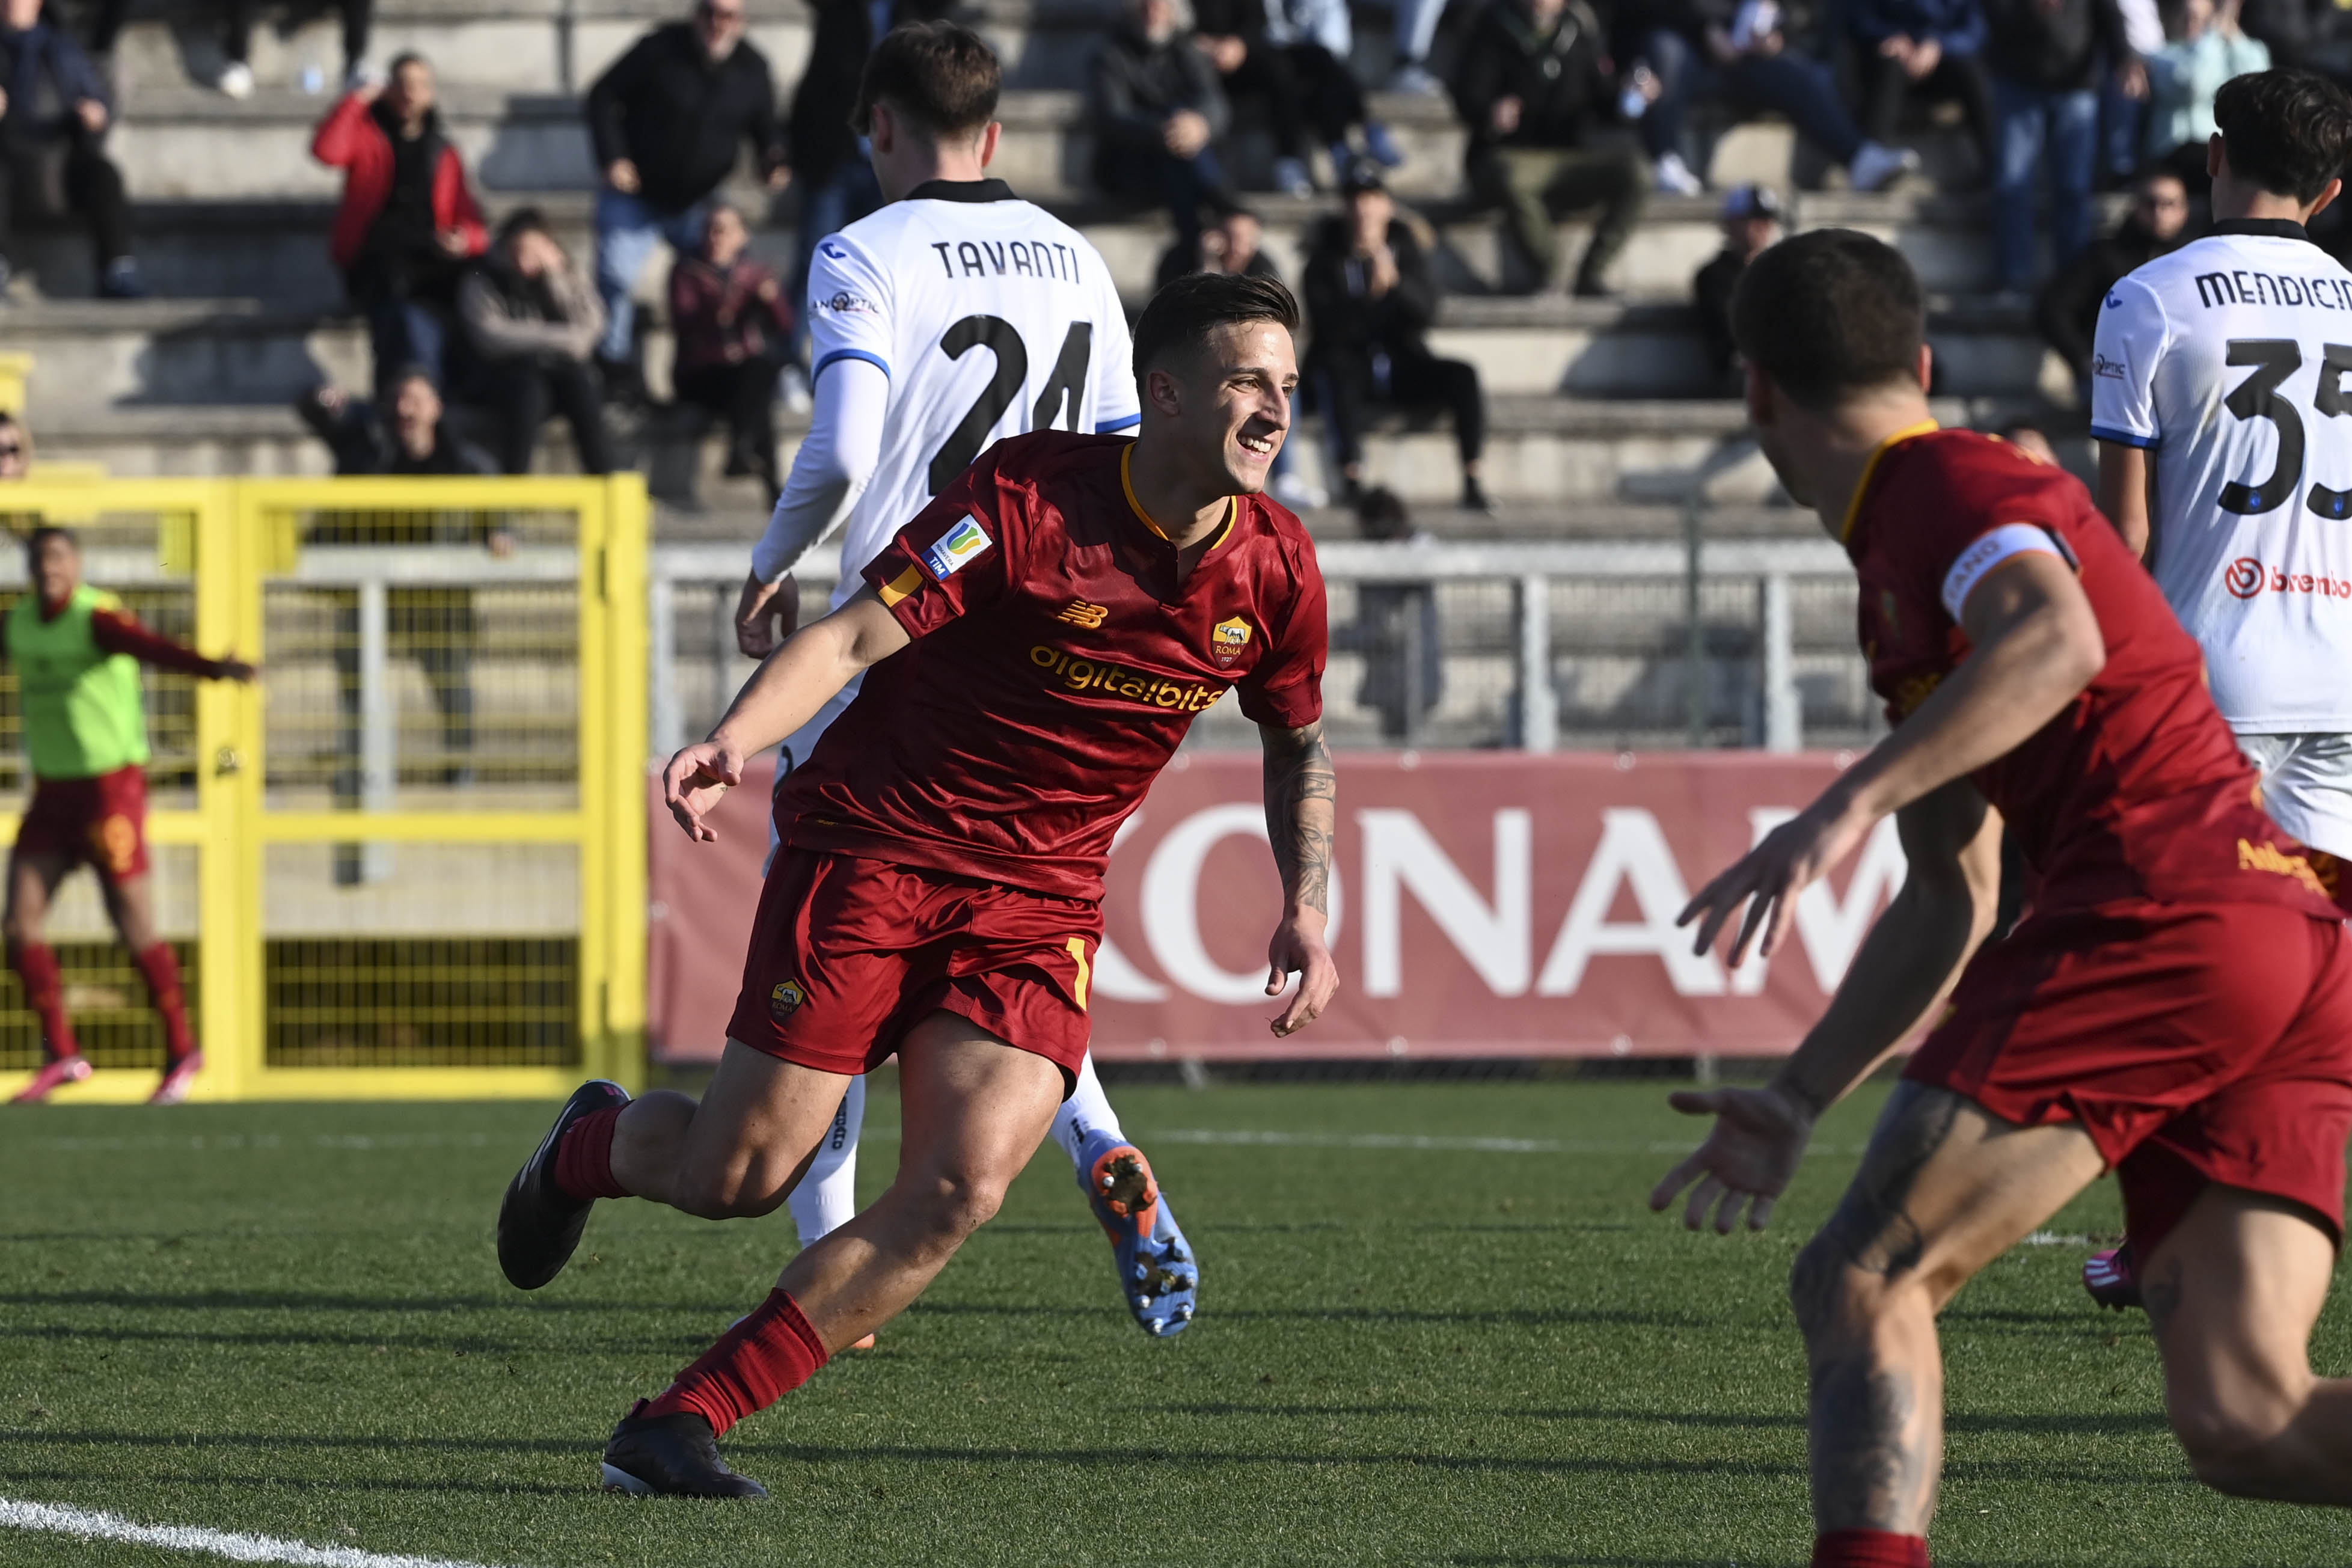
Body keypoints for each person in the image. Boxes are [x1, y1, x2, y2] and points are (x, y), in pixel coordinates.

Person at [495, 271, 1337, 1498]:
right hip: (877, 847)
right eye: (1248, 382)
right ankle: (588, 1144)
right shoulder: (1028, 498)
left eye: (1290, 388)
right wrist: (735, 741)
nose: (1274, 411)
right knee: (742, 1175)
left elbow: (1297, 740)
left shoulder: (1277, 568)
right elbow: (850, 635)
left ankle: (681, 1417)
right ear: (1161, 390)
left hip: (1039, 902)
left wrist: (1308, 899)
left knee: (960, 1183)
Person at [1655, 225, 2352, 1567]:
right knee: (2246, 1416)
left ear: (1754, 394)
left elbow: (2060, 631)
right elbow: (1948, 897)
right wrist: (1799, 1094)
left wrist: (1837, 802)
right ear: (1917, 355)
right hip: (2283, 937)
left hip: (2163, 911)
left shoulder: (1944, 484)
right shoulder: (1905, 563)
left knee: (1861, 1277)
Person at [723, 22, 1201, 1344]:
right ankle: (1095, 1131)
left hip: (898, 642)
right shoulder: (1080, 260)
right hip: (1046, 649)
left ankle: (834, 1276)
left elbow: (843, 447)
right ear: (994, 132)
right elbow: (1127, 465)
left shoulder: (860, 252)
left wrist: (773, 563)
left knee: (835, 955)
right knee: (1007, 928)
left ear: (875, 125)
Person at [2092, 72, 2352, 1019]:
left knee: (2183, 968)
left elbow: (2126, 529)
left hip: (2209, 686)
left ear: (2213, 159)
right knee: (2321, 982)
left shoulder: (2148, 297)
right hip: (2342, 688)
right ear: (2328, 193)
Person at [6, 528, 257, 1106]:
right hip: (51, 795)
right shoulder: (19, 624)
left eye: (59, 557)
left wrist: (215, 669)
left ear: (77, 564)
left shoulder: (98, 619)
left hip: (108, 792)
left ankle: (181, 1050)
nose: (49, 568)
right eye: (41, 558)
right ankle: (63, 1054)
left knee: (132, 922)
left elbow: (154, 649)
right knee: (20, 924)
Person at [586, 0, 788, 394]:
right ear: (697, 15)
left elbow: (766, 125)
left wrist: (773, 157)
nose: (718, 24)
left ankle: (714, 369)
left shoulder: (752, 68)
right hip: (638, 193)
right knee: (616, 275)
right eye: (711, 13)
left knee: (728, 276)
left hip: (700, 199)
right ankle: (614, 370)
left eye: (729, 16)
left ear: (742, 22)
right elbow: (602, 96)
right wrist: (612, 157)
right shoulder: (659, 49)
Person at [1305, 162, 1489, 508]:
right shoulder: (1324, 259)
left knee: (1464, 375)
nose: (1364, 209)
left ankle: (1473, 477)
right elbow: (1329, 327)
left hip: (1402, 365)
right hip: (1351, 368)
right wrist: (1368, 298)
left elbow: (1426, 312)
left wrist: (1395, 286)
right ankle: (1351, 476)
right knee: (1337, 371)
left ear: (1387, 207)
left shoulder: (1407, 251)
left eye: (1372, 199)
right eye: (1355, 201)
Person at [311, 54, 488, 398]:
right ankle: (409, 397)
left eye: (420, 86)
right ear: (387, 90)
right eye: (401, 84)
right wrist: (358, 98)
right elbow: (326, 151)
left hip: (432, 259)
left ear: (431, 93)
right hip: (377, 260)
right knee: (401, 314)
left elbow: (470, 218)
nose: (410, 94)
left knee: (471, 287)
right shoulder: (367, 135)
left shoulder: (443, 151)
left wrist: (465, 240)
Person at [1450, 0, 1648, 296]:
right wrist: (1490, 112)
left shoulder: (1576, 28)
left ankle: (1593, 271)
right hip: (1508, 154)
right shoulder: (1493, 24)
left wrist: (1632, 95)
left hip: (1569, 154)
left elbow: (1604, 100)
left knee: (1637, 173)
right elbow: (1466, 94)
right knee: (1513, 177)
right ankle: (1552, 272)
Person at [1625, 0, 1918, 197]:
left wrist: (1777, 32)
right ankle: (1665, 161)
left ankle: (1858, 159)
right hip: (1683, 51)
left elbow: (1794, 11)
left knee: (1797, 74)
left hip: (1745, 61)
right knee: (1666, 51)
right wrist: (1707, 29)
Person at [1982, 0, 2148, 292]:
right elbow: (1989, 19)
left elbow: (2109, 16)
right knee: (2012, 186)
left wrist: (2125, 58)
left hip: (2077, 88)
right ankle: (2012, 278)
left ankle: (2071, 284)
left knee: (2074, 188)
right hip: (2018, 86)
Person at [453, 209, 614, 477]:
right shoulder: (482, 279)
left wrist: (557, 279)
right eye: (519, 249)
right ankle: (515, 488)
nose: (525, 259)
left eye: (535, 250)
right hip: (503, 376)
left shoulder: (567, 275)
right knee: (529, 392)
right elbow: (490, 338)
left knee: (583, 386)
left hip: (562, 375)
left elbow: (589, 332)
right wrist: (557, 336)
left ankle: (605, 480)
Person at [0, 0, 141, 300]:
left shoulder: (62, 49)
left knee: (103, 174)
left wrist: (94, 114)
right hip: (8, 162)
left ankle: (117, 270)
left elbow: (94, 101)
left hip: (58, 164)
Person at [1190, 0, 1398, 197]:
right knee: (1280, 71)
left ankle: (1353, 139)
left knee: (1321, 58)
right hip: (1212, 65)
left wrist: (1240, 44)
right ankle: (1289, 161)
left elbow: (1255, 22)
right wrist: (1213, 47)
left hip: (1254, 51)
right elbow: (1178, 27)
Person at [669, 202, 792, 502]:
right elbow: (685, 321)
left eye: (725, 230)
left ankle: (745, 456)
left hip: (743, 375)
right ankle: (770, 485)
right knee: (756, 390)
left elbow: (785, 325)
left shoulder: (753, 274)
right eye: (711, 229)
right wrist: (725, 305)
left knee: (760, 375)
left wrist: (770, 299)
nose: (717, 237)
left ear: (742, 237)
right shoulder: (687, 272)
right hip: (701, 372)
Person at [1090, 0, 1237, 251]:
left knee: (1182, 145)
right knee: (1177, 133)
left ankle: (1194, 244)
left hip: (1180, 165)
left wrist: (1201, 124)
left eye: (1160, 6)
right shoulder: (1112, 55)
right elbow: (1114, 117)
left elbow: (1216, 104)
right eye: (1145, 6)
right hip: (1131, 165)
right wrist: (1165, 130)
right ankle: (1226, 209)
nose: (1153, 13)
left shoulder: (1188, 52)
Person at [2034, 165, 2188, 396]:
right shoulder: (2104, 255)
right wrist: (2084, 359)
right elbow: (2052, 308)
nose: (2159, 213)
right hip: (2113, 380)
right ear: (2135, 204)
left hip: (2175, 379)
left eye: (2169, 204)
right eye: (2150, 203)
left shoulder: (2190, 260)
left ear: (2184, 210)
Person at [1842, 0, 1997, 183]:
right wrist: (1891, 37)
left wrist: (1939, 46)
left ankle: (1995, 166)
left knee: (1973, 75)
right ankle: (1874, 161)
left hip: (1942, 60)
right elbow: (1860, 21)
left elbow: (1975, 31)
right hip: (1892, 59)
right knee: (1890, 67)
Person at [1352, 485, 1442, 738]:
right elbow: (1373, 626)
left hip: (1417, 676)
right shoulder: (1370, 557)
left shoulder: (1420, 548)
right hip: (1385, 680)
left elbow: (1389, 628)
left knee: (1415, 753)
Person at [2144, 0, 2272, 176]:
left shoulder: (2235, 50)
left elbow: (2257, 87)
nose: (2191, 23)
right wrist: (2213, 33)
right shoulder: (2162, 56)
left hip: (2216, 149)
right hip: (2172, 152)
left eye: (2200, 19)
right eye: (2186, 17)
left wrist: (2232, 34)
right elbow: (2193, 84)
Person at [295, 367, 497, 477]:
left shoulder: (465, 463)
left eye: (415, 402)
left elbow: (497, 507)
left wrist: (501, 533)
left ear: (436, 408)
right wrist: (323, 399)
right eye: (397, 400)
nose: (403, 409)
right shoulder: (370, 448)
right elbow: (315, 412)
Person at [1692, 182, 1783, 391]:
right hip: (1744, 368)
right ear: (1731, 224)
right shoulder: (1713, 276)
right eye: (1755, 219)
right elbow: (1730, 332)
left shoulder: (1780, 270)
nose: (1764, 227)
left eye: (1768, 220)